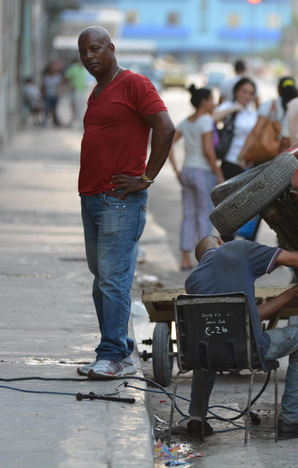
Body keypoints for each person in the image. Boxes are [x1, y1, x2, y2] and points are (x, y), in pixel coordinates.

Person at [75, 26, 175, 379]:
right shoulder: (99, 91)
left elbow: (165, 127)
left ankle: (114, 355)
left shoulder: (134, 83)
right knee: (101, 278)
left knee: (113, 280)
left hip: (119, 201)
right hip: (93, 199)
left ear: (112, 49)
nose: (89, 56)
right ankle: (115, 350)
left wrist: (146, 178)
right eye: (84, 51)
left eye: (96, 49)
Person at [185, 235, 298, 440]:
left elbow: (248, 317)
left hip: (218, 356)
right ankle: (292, 420)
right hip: (251, 351)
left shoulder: (192, 281)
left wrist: (293, 293)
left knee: (205, 346)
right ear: (221, 242)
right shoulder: (238, 249)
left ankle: (196, 419)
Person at [167, 85, 224, 271]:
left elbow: (169, 145)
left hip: (187, 171)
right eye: (212, 100)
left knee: (189, 215)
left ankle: (185, 259)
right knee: (204, 214)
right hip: (203, 172)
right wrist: (218, 173)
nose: (214, 104)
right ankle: (205, 259)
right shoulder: (205, 122)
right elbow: (208, 151)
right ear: (204, 102)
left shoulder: (186, 122)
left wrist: (176, 170)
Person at [238, 75, 298, 169]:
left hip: (265, 157)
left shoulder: (269, 105)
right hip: (289, 157)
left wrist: (242, 156)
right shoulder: (297, 107)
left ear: (279, 89)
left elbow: (256, 132)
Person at [213, 76, 258, 180]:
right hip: (230, 160)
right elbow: (212, 119)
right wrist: (232, 109)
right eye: (244, 92)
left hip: (248, 162)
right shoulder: (228, 106)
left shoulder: (253, 113)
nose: (247, 96)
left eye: (251, 93)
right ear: (236, 91)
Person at [64, 58, 90, 129]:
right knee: (76, 107)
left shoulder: (82, 69)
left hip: (81, 90)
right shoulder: (74, 68)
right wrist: (72, 84)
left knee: (79, 107)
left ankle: (75, 122)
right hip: (75, 91)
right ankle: (78, 122)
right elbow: (66, 77)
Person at [42, 61, 64, 127]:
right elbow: (43, 86)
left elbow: (60, 86)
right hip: (47, 95)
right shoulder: (46, 77)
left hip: (55, 95)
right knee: (47, 108)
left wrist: (60, 92)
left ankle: (55, 121)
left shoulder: (58, 77)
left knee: (54, 109)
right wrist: (42, 93)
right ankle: (46, 120)